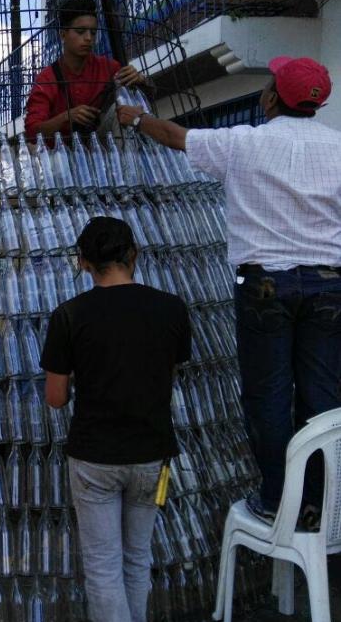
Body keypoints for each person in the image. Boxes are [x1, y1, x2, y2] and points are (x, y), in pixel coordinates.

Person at [117, 55, 341, 526]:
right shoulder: (338, 148)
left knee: (269, 395)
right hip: (328, 286)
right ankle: (321, 502)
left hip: (265, 287)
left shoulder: (244, 143)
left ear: (274, 98)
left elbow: (177, 138)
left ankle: (279, 499)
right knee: (323, 398)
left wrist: (136, 118)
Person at [41, 217, 191, 622]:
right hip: (152, 452)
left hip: (94, 456)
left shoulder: (69, 316)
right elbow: (169, 372)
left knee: (103, 564)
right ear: (134, 255)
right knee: (137, 556)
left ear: (83, 262)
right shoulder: (171, 308)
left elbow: (55, 398)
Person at [25, 0, 145, 140]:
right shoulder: (46, 79)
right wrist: (66, 117)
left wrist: (139, 80)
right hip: (63, 153)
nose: (88, 38)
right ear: (63, 35)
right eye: (81, 32)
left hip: (104, 144)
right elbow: (31, 131)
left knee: (125, 111)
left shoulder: (109, 67)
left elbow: (140, 99)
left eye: (93, 32)